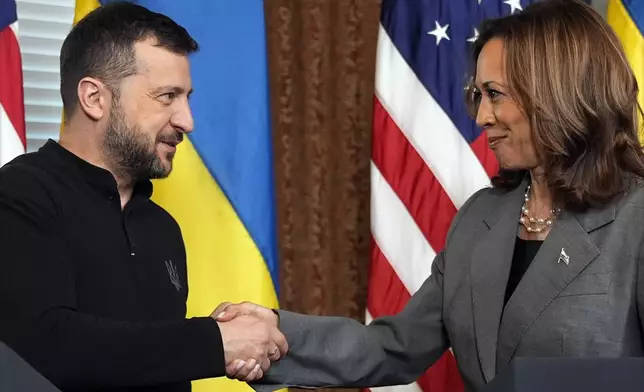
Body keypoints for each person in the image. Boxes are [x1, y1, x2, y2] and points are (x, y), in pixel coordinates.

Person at [214, 0, 644, 391]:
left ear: (559, 93)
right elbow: (394, 346)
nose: (480, 116)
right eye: (478, 96)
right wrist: (272, 331)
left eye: (494, 94)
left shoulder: (634, 217)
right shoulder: (481, 218)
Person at [0, 2, 286, 391]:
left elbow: (158, 366)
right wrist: (215, 342)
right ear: (94, 98)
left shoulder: (161, 227)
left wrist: (236, 343)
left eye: (186, 97)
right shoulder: (18, 195)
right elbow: (49, 347)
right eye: (167, 96)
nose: (187, 120)